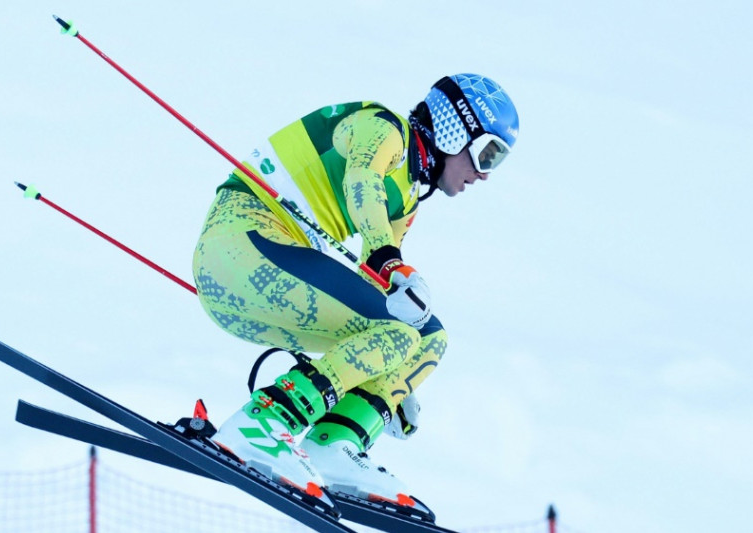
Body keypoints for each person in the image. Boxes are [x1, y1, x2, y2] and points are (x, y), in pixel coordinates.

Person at [191, 73, 519, 506]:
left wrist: (393, 378)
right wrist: (387, 257)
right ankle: (264, 423)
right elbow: (361, 180)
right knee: (398, 331)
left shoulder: (404, 199)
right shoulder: (383, 128)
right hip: (242, 240)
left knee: (425, 337)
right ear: (455, 130)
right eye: (487, 154)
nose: (484, 174)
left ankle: (334, 445)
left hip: (266, 274)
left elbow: (377, 285)